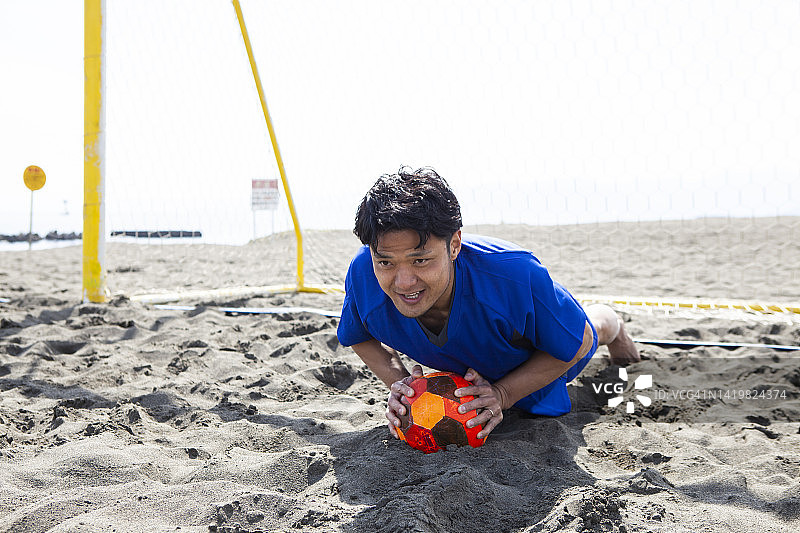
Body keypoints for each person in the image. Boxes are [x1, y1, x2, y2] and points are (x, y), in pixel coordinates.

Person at [337, 166, 639, 441]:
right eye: (386, 262)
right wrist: (403, 387)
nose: (403, 281)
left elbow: (579, 341)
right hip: (465, 365)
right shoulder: (364, 275)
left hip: (535, 363)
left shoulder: (515, 275)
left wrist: (502, 394)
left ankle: (613, 323)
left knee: (592, 328)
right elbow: (358, 337)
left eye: (420, 260)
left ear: (454, 245)